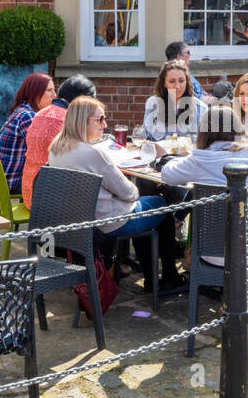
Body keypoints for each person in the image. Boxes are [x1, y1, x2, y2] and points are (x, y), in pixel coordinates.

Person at [48, 96, 185, 292]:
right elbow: (129, 193)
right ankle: (165, 278)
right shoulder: (93, 153)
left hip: (81, 222)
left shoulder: (56, 149)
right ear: (82, 121)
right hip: (109, 222)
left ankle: (152, 279)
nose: (105, 124)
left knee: (148, 207)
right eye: (100, 119)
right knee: (162, 205)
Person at [22, 75, 95, 209]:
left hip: (29, 193)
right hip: (51, 200)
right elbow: (84, 159)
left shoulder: (39, 114)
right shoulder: (69, 120)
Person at [158, 105, 248, 187]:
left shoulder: (200, 159)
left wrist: (168, 158)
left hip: (210, 222)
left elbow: (167, 175)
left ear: (204, 132)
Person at [0, 72, 54, 193]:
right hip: (11, 182)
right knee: (56, 185)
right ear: (35, 92)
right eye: (49, 90)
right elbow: (47, 149)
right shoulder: (28, 116)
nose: (54, 95)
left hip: (3, 178)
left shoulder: (23, 110)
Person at [143, 60, 208, 140]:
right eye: (172, 81)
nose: (177, 86)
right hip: (162, 152)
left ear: (187, 82)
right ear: (164, 83)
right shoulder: (153, 104)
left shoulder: (201, 108)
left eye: (181, 81)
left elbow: (204, 142)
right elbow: (147, 136)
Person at [165, 40, 214, 105]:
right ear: (179, 56)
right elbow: (193, 100)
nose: (190, 55)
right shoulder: (177, 75)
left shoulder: (184, 72)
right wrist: (212, 100)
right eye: (188, 52)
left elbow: (200, 92)